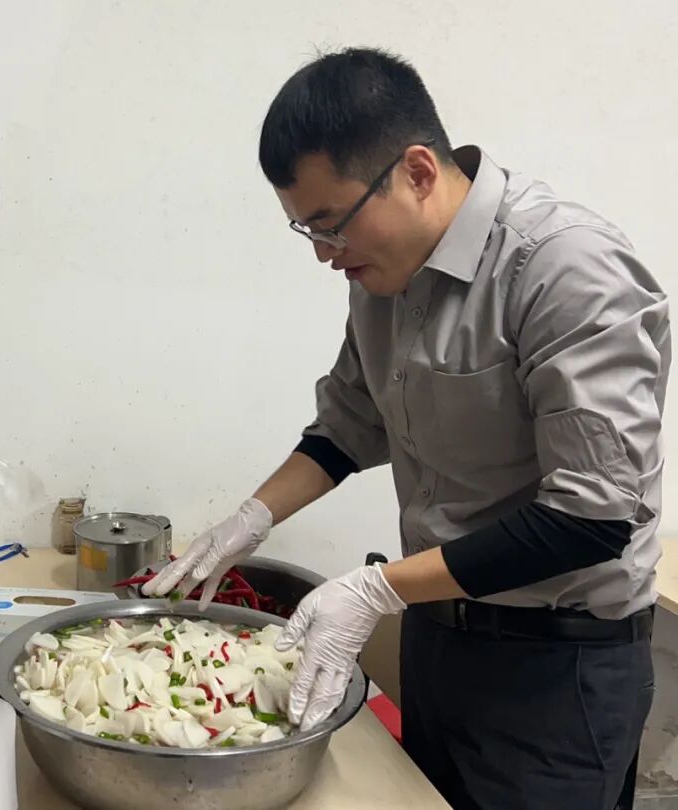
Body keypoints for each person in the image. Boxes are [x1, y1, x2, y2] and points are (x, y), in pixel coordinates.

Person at [146, 48, 667, 810]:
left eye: (331, 224)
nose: (324, 255)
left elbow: (591, 519)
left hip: (556, 671)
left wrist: (374, 588)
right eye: (305, 230)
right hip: (437, 640)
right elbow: (348, 426)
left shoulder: (565, 270)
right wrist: (250, 517)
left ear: (418, 172)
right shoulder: (381, 278)